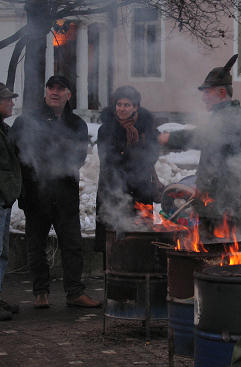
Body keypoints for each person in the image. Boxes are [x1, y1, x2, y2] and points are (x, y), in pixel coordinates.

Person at [10, 75, 100, 309]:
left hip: (65, 193)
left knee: (72, 244)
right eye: (50, 87)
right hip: (35, 193)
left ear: (69, 94)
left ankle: (75, 292)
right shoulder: (26, 121)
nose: (54, 92)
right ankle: (40, 292)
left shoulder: (76, 124)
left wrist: (58, 159)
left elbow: (79, 157)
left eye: (60, 89)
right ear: (45, 91)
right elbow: (16, 154)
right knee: (36, 245)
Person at [158, 54, 241, 239]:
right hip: (215, 203)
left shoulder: (231, 117)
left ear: (221, 93)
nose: (203, 98)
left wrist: (169, 137)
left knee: (223, 259)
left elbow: (203, 136)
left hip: (228, 205)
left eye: (207, 92)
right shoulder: (223, 116)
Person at [95, 86, 160, 258]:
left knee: (140, 239)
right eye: (119, 104)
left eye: (127, 105)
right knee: (113, 242)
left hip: (140, 191)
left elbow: (152, 155)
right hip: (113, 191)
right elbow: (107, 160)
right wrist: (130, 153)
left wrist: (134, 154)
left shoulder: (147, 129)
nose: (121, 109)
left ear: (135, 107)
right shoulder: (106, 130)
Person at [0, 83, 21, 320]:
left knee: (2, 252)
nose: (12, 103)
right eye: (7, 100)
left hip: (4, 201)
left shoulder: (4, 129)